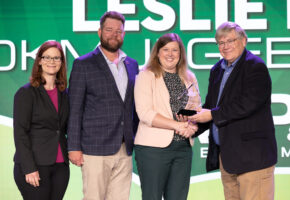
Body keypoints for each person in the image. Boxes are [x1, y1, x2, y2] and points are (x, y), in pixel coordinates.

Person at [189, 22, 278, 200]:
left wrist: (212, 114)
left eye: (230, 40)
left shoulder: (255, 66)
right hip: (228, 157)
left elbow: (248, 104)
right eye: (221, 42)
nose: (225, 46)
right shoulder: (217, 70)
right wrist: (191, 125)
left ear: (244, 41)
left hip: (253, 158)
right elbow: (211, 106)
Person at [67, 11, 139, 200]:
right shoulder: (83, 64)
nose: (114, 34)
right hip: (94, 148)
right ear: (99, 32)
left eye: (119, 31)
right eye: (109, 30)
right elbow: (74, 109)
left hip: (124, 148)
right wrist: (73, 146)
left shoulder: (132, 64)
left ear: (124, 34)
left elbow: (133, 107)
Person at [134, 33, 201, 200]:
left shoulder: (189, 77)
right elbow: (145, 113)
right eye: (165, 50)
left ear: (181, 54)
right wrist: (177, 126)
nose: (170, 54)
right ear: (157, 53)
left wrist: (191, 127)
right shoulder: (146, 75)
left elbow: (196, 110)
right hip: (153, 149)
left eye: (175, 50)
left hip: (183, 149)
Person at [13, 41, 70, 200]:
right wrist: (29, 168)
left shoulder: (65, 94)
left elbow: (66, 128)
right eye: (47, 57)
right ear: (39, 61)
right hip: (35, 166)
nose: (52, 62)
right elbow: (20, 133)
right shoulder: (26, 93)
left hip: (60, 166)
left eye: (57, 58)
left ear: (62, 63)